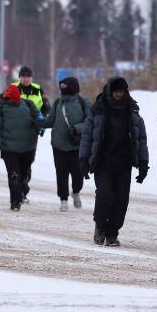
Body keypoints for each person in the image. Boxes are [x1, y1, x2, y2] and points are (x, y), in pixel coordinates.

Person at [79, 77, 149, 247]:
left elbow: (141, 139)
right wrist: (83, 159)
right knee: (104, 195)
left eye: (121, 91)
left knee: (121, 199)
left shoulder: (131, 112)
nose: (118, 94)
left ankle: (112, 233)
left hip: (124, 163)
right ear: (110, 91)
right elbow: (87, 137)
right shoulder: (98, 110)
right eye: (115, 91)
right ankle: (100, 226)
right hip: (103, 161)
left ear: (125, 92)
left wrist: (143, 162)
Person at [0, 85, 42, 212]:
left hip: (28, 147)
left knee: (23, 175)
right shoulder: (0, 108)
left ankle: (23, 189)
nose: (9, 100)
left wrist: (41, 125)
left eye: (11, 97)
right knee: (13, 175)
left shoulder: (29, 105)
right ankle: (15, 202)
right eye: (7, 97)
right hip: (9, 149)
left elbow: (38, 118)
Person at [42, 76, 92, 212]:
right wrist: (35, 121)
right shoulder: (58, 103)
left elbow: (90, 122)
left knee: (78, 174)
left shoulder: (83, 102)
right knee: (61, 174)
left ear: (73, 87)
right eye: (61, 87)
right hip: (58, 145)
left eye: (65, 87)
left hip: (77, 145)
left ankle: (76, 192)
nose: (63, 89)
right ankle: (63, 199)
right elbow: (50, 121)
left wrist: (77, 128)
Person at [11, 66, 49, 203]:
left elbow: (46, 107)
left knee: (27, 161)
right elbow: (3, 106)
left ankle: (23, 189)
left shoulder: (38, 89)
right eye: (23, 76)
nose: (26, 79)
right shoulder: (12, 88)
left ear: (31, 78)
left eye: (28, 76)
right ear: (19, 77)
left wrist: (42, 122)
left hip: (31, 130)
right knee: (15, 161)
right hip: (15, 130)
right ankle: (18, 191)